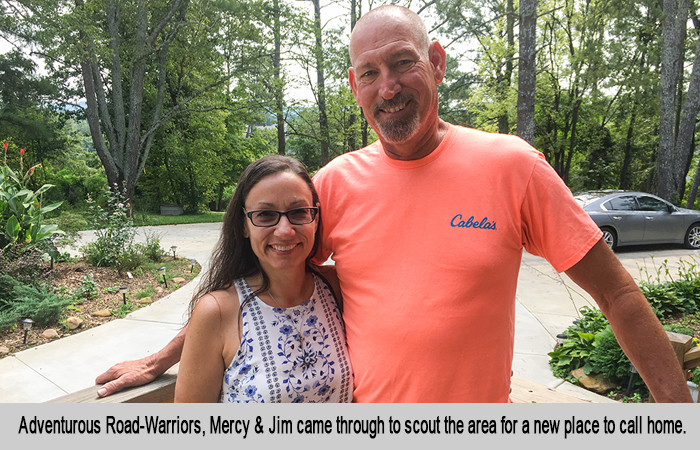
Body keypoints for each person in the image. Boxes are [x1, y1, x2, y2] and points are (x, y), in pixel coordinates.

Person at [96, 5, 692, 402]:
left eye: (403, 63)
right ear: (355, 87)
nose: (389, 86)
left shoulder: (512, 166)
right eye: (369, 73)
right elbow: (260, 281)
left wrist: (676, 417)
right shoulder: (331, 186)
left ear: (434, 62)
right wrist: (165, 355)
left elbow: (617, 293)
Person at [173, 155, 352, 402]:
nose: (285, 230)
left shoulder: (335, 288)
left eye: (299, 212)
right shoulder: (217, 311)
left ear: (316, 218)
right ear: (244, 225)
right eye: (265, 215)